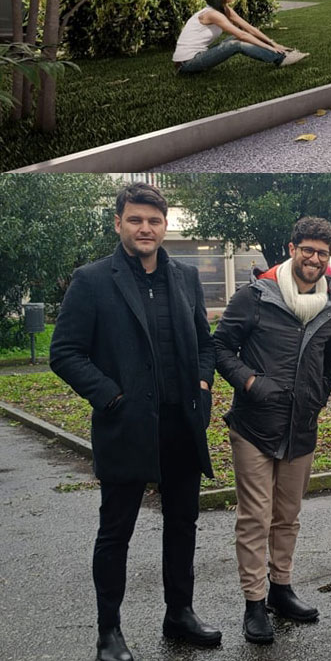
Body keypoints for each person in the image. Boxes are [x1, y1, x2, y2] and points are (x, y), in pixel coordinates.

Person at [49, 182, 221, 661]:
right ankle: (109, 632)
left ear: (165, 226)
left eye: (154, 221)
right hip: (126, 423)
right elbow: (64, 353)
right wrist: (111, 396)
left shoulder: (185, 277)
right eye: (136, 219)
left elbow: (206, 344)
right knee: (115, 532)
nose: (145, 228)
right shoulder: (93, 280)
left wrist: (203, 387)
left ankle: (179, 614)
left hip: (182, 425)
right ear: (119, 222)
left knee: (182, 523)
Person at [214, 216, 331, 645]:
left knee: (287, 517)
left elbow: (330, 362)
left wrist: (318, 396)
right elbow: (218, 347)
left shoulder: (330, 304)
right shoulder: (255, 296)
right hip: (254, 425)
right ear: (292, 249)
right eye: (308, 249)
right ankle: (254, 603)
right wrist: (250, 382)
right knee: (255, 517)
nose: (314, 258)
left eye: (322, 253)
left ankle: (281, 590)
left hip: (301, 428)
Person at [172, 0, 306, 73]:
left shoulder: (224, 9)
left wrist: (274, 43)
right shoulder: (211, 14)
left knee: (235, 38)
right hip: (186, 64)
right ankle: (280, 58)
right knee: (235, 43)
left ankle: (280, 54)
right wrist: (270, 48)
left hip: (200, 55)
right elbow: (241, 35)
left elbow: (249, 28)